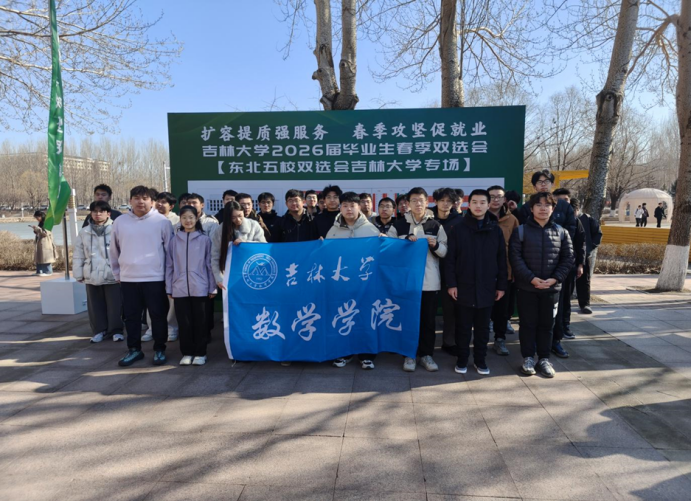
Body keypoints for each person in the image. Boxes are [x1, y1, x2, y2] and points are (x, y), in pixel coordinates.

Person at [509, 192, 574, 378]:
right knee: (527, 324)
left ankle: (544, 359)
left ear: (553, 209)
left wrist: (555, 279)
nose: (543, 208)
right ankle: (528, 358)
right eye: (539, 205)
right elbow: (515, 257)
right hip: (527, 287)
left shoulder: (562, 232)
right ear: (531, 208)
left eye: (547, 205)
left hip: (552, 289)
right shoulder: (521, 231)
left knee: (547, 325)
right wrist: (531, 278)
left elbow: (568, 258)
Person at [446, 189, 508, 376]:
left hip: (487, 286)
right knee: (463, 327)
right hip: (463, 286)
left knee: (483, 328)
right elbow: (450, 259)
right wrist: (451, 284)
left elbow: (501, 260)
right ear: (468, 204)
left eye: (482, 202)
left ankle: (480, 360)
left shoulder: (495, 230)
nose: (478, 206)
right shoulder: (458, 228)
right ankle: (462, 359)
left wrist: (501, 285)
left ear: (488, 205)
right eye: (474, 202)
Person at [110, 185, 173, 367]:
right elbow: (114, 250)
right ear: (130, 201)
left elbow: (170, 252)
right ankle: (134, 350)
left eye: (145, 198)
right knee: (131, 317)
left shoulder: (162, 222)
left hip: (155, 278)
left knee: (158, 316)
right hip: (128, 278)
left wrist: (168, 278)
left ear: (152, 202)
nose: (141, 202)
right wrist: (117, 273)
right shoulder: (120, 222)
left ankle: (160, 349)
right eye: (136, 198)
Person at [389, 187, 447, 373]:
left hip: (429, 282)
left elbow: (445, 251)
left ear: (427, 202)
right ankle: (409, 354)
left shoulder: (436, 226)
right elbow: (389, 250)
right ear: (408, 203)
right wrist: (405, 242)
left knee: (428, 321)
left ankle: (426, 354)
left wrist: (435, 245)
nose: (418, 204)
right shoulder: (398, 225)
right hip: (406, 283)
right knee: (407, 320)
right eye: (413, 200)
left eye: (421, 200)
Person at [326, 192, 380, 370]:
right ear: (340, 208)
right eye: (345, 206)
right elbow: (327, 257)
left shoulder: (371, 230)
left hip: (365, 283)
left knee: (365, 317)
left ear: (359, 207)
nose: (349, 209)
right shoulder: (333, 231)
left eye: (352, 205)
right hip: (341, 284)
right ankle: (344, 353)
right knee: (343, 316)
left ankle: (367, 355)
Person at [166, 206, 217, 366]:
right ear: (180, 220)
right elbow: (169, 266)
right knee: (184, 322)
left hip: (201, 287)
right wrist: (169, 287)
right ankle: (187, 352)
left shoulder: (205, 240)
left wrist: (212, 287)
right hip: (179, 287)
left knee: (200, 322)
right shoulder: (174, 241)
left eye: (191, 217)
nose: (188, 221)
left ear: (196, 219)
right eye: (184, 217)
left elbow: (210, 265)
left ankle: (201, 353)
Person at [73, 201, 124, 343]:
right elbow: (78, 254)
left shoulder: (116, 229)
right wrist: (78, 273)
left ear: (108, 214)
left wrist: (123, 272)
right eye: (95, 211)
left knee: (115, 305)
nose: (98, 214)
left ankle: (116, 331)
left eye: (101, 211)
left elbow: (124, 252)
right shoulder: (84, 232)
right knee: (95, 305)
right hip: (91, 273)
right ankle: (99, 331)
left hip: (112, 274)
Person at [551, 189, 585, 353]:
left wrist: (580, 264)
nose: (563, 203)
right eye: (559, 200)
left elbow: (580, 243)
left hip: (567, 267)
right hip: (544, 270)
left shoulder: (574, 222)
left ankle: (564, 327)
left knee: (564, 300)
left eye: (566, 200)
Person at [487, 185, 519, 356]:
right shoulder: (478, 217)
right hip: (482, 272)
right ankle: (480, 340)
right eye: (492, 196)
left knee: (502, 310)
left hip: (504, 271)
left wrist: (514, 271)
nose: (495, 200)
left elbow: (516, 247)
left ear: (505, 199)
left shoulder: (512, 220)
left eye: (499, 196)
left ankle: (499, 340)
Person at [431, 187, 461, 356]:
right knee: (426, 309)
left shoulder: (460, 221)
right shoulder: (427, 219)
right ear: (435, 202)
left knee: (451, 309)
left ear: (454, 203)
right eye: (442, 200)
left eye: (448, 201)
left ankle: (449, 342)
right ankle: (424, 342)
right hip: (428, 270)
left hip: (450, 271)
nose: (445, 204)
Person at [211, 200, 267, 293]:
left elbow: (263, 246)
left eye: (240, 216)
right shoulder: (220, 229)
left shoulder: (253, 225)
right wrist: (219, 278)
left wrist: (246, 243)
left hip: (252, 271)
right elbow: (215, 255)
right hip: (230, 273)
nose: (238, 219)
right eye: (233, 217)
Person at [517, 170, 577, 239]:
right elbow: (523, 230)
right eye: (539, 182)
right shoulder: (527, 207)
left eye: (547, 181)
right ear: (534, 186)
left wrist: (563, 243)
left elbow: (571, 228)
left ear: (552, 184)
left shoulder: (564, 206)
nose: (543, 184)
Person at [573, 199, 602, 314]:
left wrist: (590, 247)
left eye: (574, 210)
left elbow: (598, 234)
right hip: (568, 254)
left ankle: (585, 304)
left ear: (578, 209)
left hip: (584, 254)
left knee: (584, 280)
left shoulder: (587, 219)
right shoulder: (564, 219)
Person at [30, 210, 57, 276]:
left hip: (45, 242)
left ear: (41, 216)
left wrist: (37, 229)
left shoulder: (47, 223)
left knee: (45, 257)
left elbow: (45, 233)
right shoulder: (41, 223)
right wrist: (35, 230)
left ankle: (48, 271)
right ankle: (39, 271)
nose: (37, 219)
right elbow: (40, 232)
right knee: (39, 257)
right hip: (40, 242)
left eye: (37, 217)